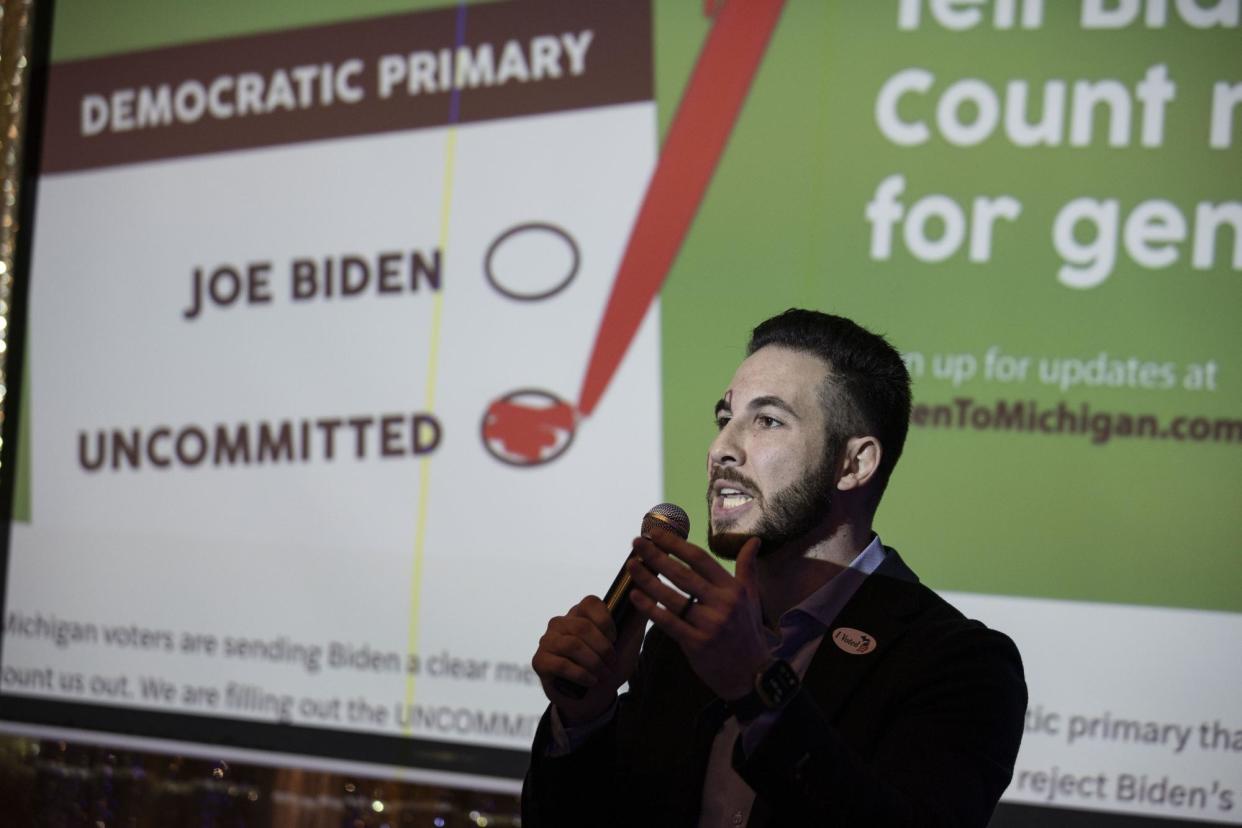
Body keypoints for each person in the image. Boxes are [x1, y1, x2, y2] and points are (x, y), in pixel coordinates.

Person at [523, 309, 1026, 826]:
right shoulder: (681, 641)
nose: (721, 449)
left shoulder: (960, 665)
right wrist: (585, 718)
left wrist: (756, 687)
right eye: (725, 419)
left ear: (854, 464)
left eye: (768, 421)